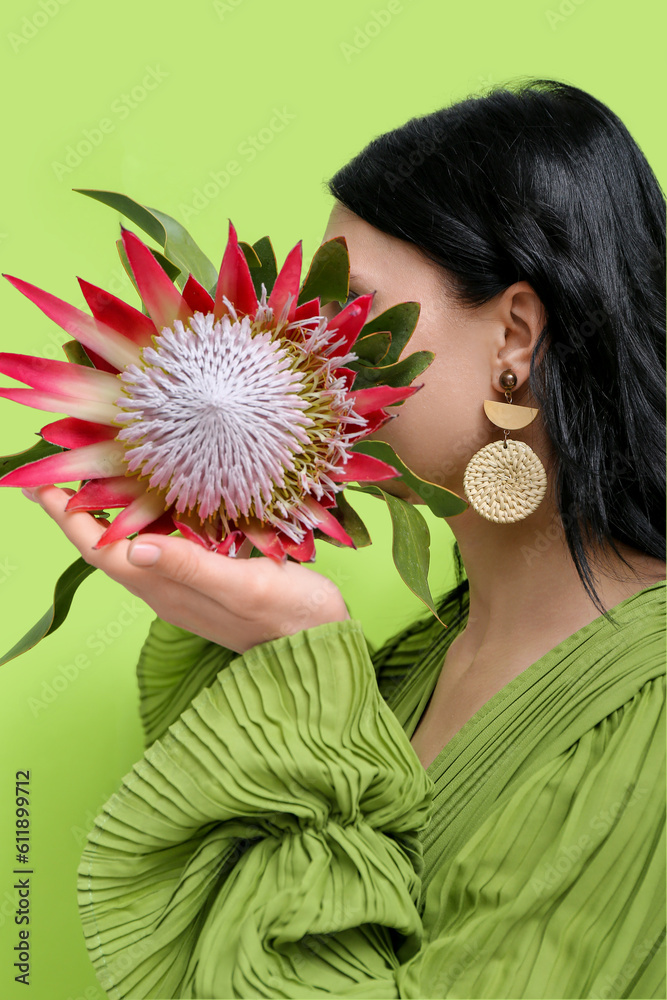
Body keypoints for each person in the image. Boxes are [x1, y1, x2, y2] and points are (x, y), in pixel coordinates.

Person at [25, 78, 665, 998]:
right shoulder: (410, 666)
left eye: (346, 315)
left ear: (514, 337)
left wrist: (298, 656)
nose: (285, 351)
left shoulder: (650, 712)